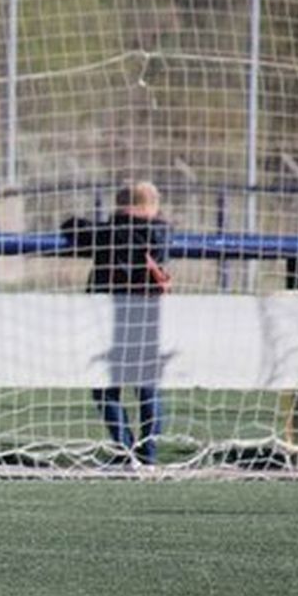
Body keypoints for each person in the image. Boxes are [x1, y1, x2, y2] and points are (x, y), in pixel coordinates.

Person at [61, 180, 172, 466]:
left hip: (104, 321)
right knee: (147, 389)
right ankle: (148, 454)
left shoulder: (108, 233)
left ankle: (125, 449)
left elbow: (72, 227)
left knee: (105, 389)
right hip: (146, 320)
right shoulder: (162, 234)